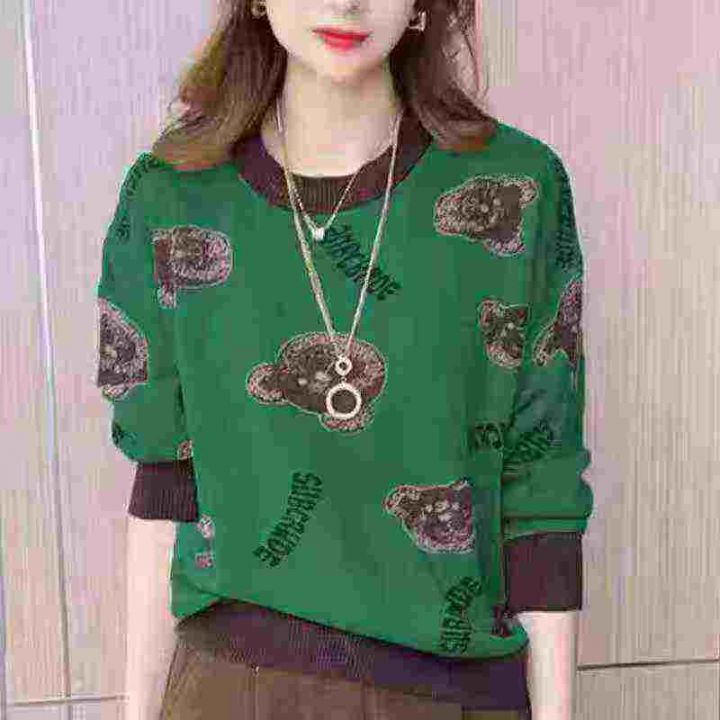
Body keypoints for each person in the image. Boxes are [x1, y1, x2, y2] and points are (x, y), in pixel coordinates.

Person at [95, 1, 595, 718]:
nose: (345, 2)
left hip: (452, 693)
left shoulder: (520, 189)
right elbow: (163, 487)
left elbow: (542, 500)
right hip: (234, 690)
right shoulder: (171, 197)